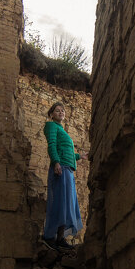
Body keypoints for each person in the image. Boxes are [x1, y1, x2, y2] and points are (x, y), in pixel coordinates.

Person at [42, 102, 82, 251]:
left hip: (68, 170)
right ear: (51, 114)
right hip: (60, 169)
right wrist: (56, 162)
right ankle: (49, 236)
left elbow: (67, 152)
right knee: (59, 203)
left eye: (63, 111)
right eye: (57, 111)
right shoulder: (51, 126)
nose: (61, 112)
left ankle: (60, 238)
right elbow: (52, 144)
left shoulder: (62, 130)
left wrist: (79, 156)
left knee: (66, 205)